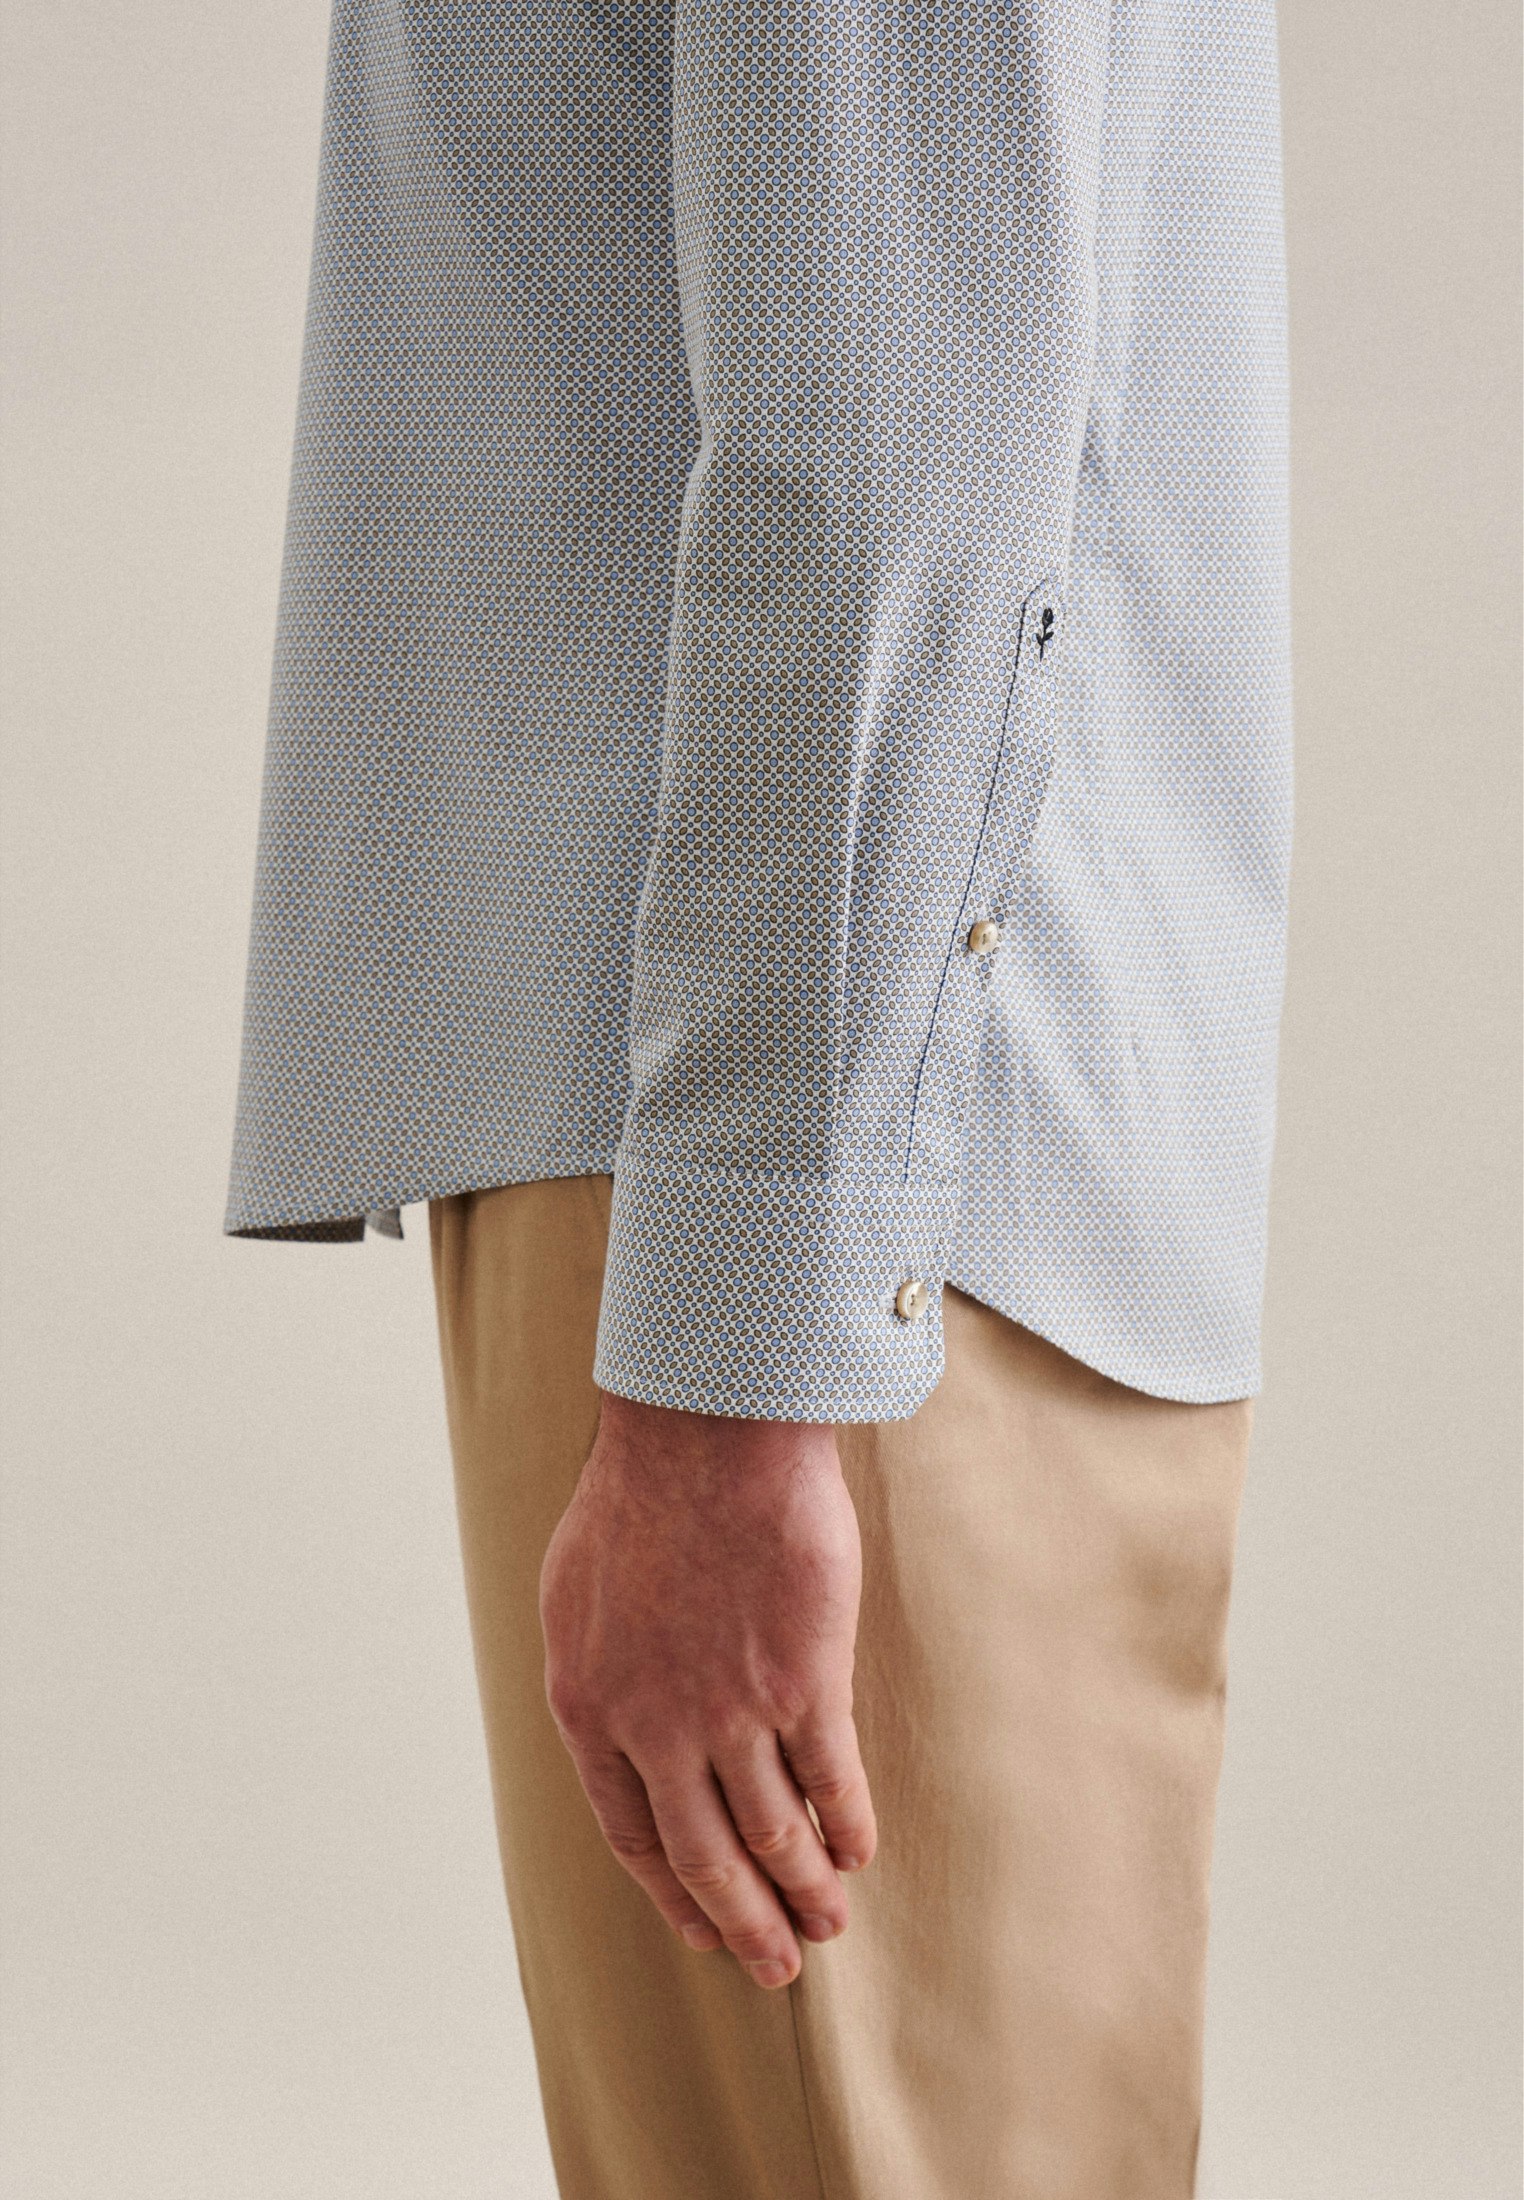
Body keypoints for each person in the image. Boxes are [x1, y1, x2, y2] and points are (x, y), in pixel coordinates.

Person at [224, 3, 1292, 2193]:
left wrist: (741, 1362)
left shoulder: (773, 1256)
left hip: (803, 1170)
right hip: (836, 1131)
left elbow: (894, 404)